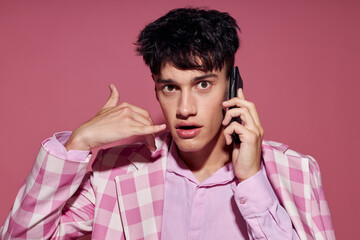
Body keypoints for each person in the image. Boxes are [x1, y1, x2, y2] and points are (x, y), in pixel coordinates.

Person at [0, 8, 334, 240]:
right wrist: (76, 143)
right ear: (157, 90)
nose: (185, 109)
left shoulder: (295, 173)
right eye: (171, 88)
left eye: (203, 84)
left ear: (232, 86)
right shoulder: (114, 175)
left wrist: (251, 181)